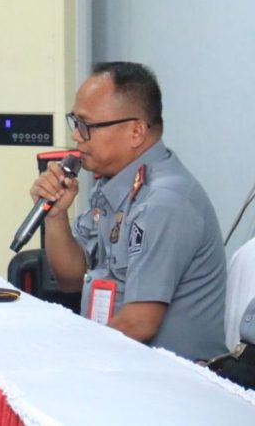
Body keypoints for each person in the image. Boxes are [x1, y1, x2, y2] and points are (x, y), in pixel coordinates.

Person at [30, 62, 227, 361]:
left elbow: (139, 323)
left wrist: (71, 359)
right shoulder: (115, 185)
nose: (77, 136)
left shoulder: (163, 201)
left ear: (135, 132)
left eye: (87, 125)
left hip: (166, 378)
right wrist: (56, 216)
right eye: (75, 122)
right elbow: (71, 278)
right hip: (118, 360)